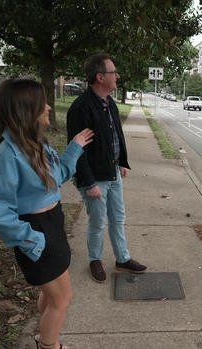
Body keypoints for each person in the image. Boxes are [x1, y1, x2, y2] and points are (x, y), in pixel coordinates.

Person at [0, 79, 94, 349]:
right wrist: (30, 238)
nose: (48, 107)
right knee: (62, 299)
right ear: (25, 110)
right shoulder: (8, 156)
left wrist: (76, 146)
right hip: (36, 231)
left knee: (50, 295)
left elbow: (59, 176)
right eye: (41, 103)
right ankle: (49, 345)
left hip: (52, 226)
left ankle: (44, 337)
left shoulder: (36, 146)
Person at [67, 54, 147, 283]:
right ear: (100, 77)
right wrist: (88, 182)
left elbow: (116, 135)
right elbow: (76, 149)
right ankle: (95, 259)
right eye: (114, 72)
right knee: (98, 221)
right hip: (95, 178)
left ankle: (122, 259)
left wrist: (122, 160)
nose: (118, 76)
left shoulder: (109, 102)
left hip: (112, 172)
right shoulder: (81, 107)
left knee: (118, 217)